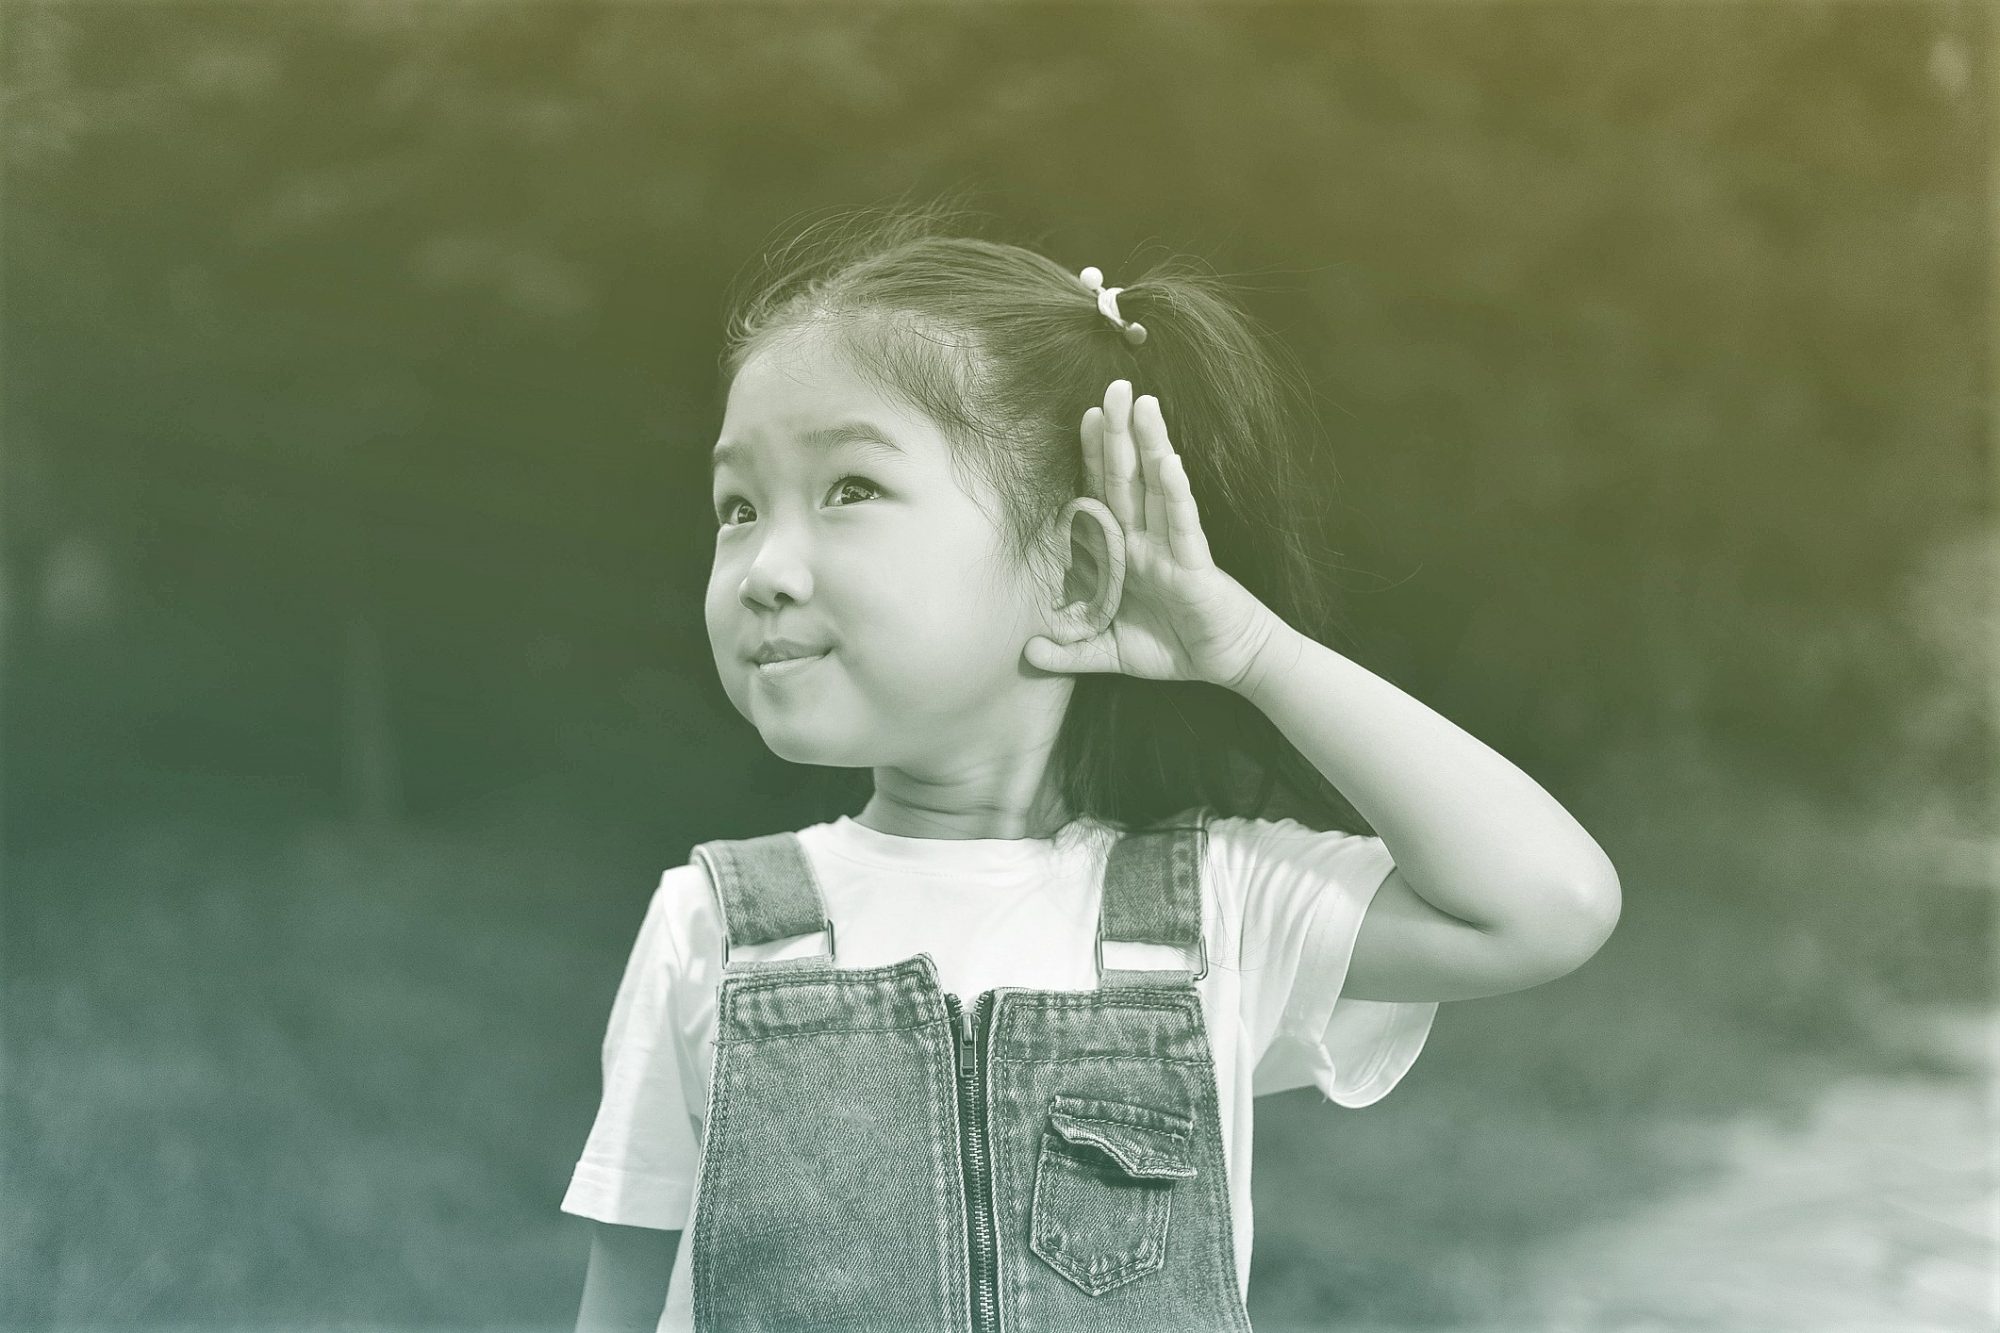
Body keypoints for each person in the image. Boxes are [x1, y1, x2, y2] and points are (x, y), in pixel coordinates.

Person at [563, 198, 1622, 1333]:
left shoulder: (1215, 910)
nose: (765, 566)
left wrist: (1252, 652)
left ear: (1072, 572)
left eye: (849, 490)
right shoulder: (719, 924)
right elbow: (625, 1296)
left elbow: (1545, 906)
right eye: (736, 506)